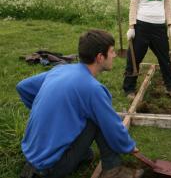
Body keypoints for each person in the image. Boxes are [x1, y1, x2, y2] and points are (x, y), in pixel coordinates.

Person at [17, 30, 143, 178]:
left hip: (32, 156)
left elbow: (23, 87)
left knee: (90, 119)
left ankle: (78, 155)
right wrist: (129, 146)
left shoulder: (60, 70)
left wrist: (50, 114)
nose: (115, 55)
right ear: (100, 57)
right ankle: (113, 171)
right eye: (112, 51)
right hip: (51, 167)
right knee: (99, 120)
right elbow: (111, 125)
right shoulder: (92, 89)